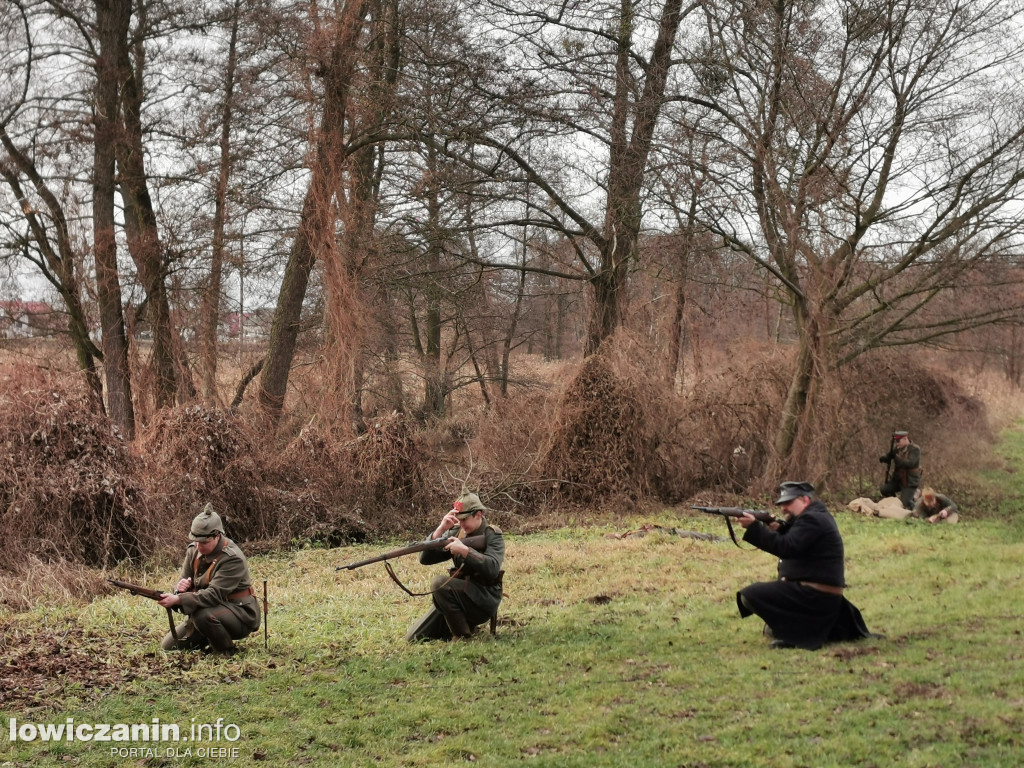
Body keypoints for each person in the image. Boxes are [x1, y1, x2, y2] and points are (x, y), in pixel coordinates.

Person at [735, 481, 875, 650]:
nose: (784, 508)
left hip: (813, 597)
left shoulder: (812, 519)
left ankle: (796, 634)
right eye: (782, 504)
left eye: (788, 502)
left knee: (749, 595)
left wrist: (755, 528)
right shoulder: (811, 517)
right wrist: (777, 528)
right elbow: (796, 538)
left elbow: (787, 547)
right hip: (813, 594)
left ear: (805, 500)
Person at [158, 503, 261, 655]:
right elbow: (182, 583)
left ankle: (226, 651)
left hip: (239, 614)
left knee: (202, 616)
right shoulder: (193, 551)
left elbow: (213, 595)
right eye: (196, 540)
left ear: (217, 535)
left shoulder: (232, 558)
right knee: (169, 646)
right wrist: (179, 590)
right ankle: (210, 635)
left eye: (204, 542)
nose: (198, 546)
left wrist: (179, 600)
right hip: (208, 610)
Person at [406, 492, 505, 642]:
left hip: (484, 598)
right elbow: (425, 559)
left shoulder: (492, 534)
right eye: (459, 519)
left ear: (478, 514)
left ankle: (462, 636)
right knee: (414, 637)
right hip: (459, 596)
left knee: (439, 583)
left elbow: (492, 569)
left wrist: (465, 551)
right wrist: (440, 530)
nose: (461, 524)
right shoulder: (458, 532)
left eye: (464, 519)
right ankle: (463, 624)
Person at [879, 430, 922, 509]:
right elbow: (889, 455)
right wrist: (884, 458)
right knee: (884, 489)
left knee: (906, 503)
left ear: (905, 439)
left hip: (910, 481)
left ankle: (915, 497)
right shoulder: (897, 449)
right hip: (898, 480)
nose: (897, 443)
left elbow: (910, 464)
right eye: (896, 441)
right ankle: (894, 503)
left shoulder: (915, 449)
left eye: (899, 441)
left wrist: (896, 458)